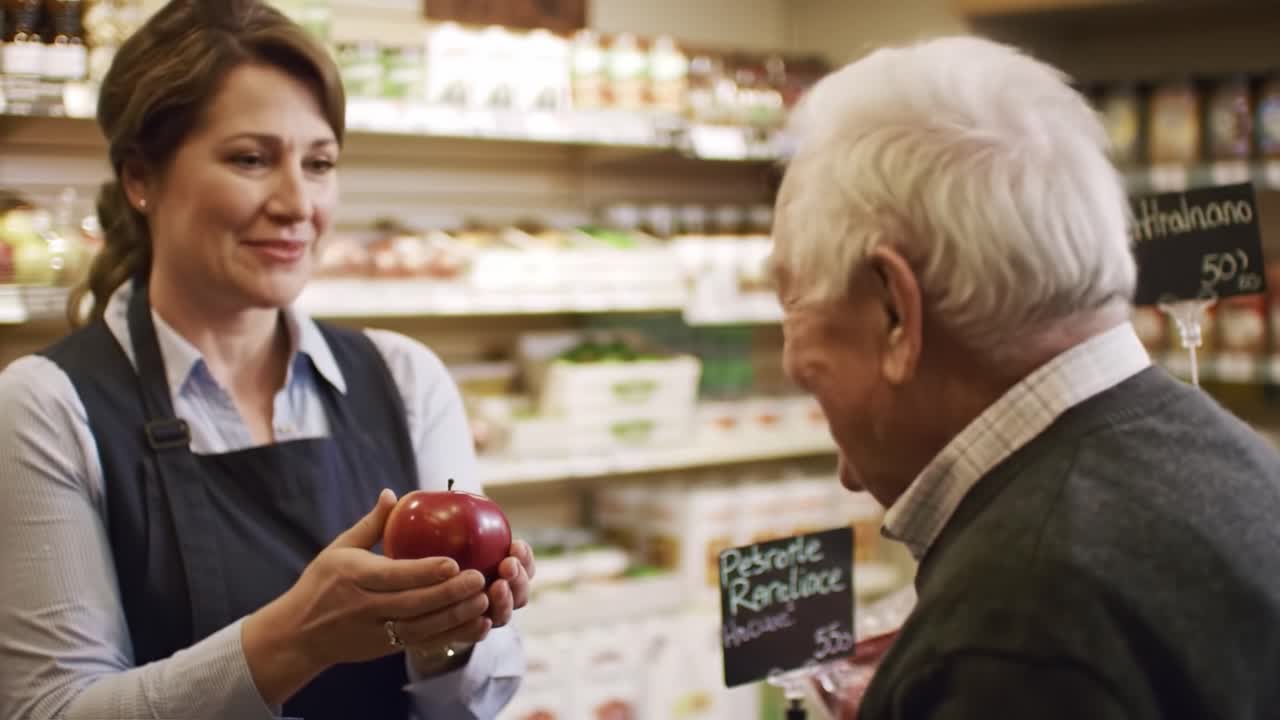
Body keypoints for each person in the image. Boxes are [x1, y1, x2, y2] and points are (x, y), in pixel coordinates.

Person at [0, 2, 533, 718]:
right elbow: (52, 710)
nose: (297, 202)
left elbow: (470, 704)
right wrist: (296, 638)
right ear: (140, 178)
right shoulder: (46, 408)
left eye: (319, 164)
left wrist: (448, 637)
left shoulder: (405, 379)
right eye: (251, 159)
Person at [769, 36, 1280, 719]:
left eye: (815, 377)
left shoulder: (1013, 628)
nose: (849, 477)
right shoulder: (1232, 458)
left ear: (897, 311)